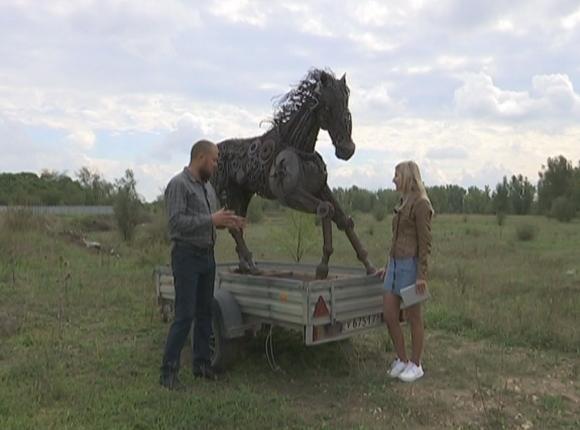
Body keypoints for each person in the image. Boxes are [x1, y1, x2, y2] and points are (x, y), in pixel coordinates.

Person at [160, 139, 245, 390]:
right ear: (200, 158)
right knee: (185, 315)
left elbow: (209, 221)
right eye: (215, 159)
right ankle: (168, 372)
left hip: (207, 256)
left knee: (205, 312)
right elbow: (176, 224)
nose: (216, 165)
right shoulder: (179, 184)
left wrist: (227, 222)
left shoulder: (208, 189)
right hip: (186, 256)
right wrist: (211, 218)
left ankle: (201, 365)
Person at [377, 161, 434, 383]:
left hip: (411, 266)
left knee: (413, 316)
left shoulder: (421, 203)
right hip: (394, 265)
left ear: (408, 176)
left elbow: (425, 242)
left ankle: (415, 364)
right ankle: (401, 359)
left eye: (397, 175)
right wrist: (387, 265)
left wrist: (422, 275)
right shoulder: (403, 201)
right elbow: (396, 238)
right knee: (389, 314)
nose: (393, 179)